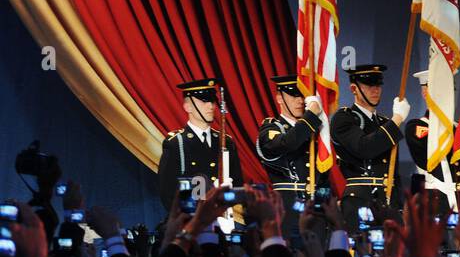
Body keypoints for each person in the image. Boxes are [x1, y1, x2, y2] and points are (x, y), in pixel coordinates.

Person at [404, 69, 460, 219]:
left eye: (450, 90)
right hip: (436, 205)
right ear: (425, 93)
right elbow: (438, 148)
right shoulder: (418, 126)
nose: (447, 95)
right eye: (441, 90)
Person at [330, 64, 409, 229]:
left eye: (378, 85)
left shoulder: (384, 123)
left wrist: (400, 204)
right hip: (360, 200)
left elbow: (393, 171)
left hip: (388, 201)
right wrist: (397, 120)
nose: (375, 90)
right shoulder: (344, 118)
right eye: (369, 85)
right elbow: (364, 148)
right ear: (354, 88)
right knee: (363, 252)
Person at [157, 78, 242, 210]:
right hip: (190, 218)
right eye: (203, 101)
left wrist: (225, 195)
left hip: (221, 216)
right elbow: (167, 191)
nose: (210, 106)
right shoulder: (177, 143)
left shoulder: (226, 142)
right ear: (188, 107)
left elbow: (237, 183)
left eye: (212, 101)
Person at [255, 74, 325, 236]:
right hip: (288, 208)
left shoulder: (313, 130)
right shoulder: (271, 128)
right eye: (294, 96)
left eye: (303, 95)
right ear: (279, 98)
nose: (300, 101)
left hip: (316, 208)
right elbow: (288, 143)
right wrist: (311, 117)